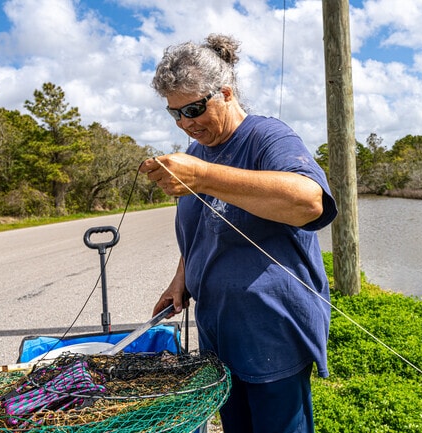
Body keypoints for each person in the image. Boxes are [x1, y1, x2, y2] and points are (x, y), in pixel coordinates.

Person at [139, 34, 337, 433]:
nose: (186, 123)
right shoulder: (196, 153)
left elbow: (310, 203)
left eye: (194, 108)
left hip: (270, 331)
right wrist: (180, 281)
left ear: (225, 93)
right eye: (174, 113)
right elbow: (202, 230)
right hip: (218, 330)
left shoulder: (269, 138)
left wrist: (206, 177)